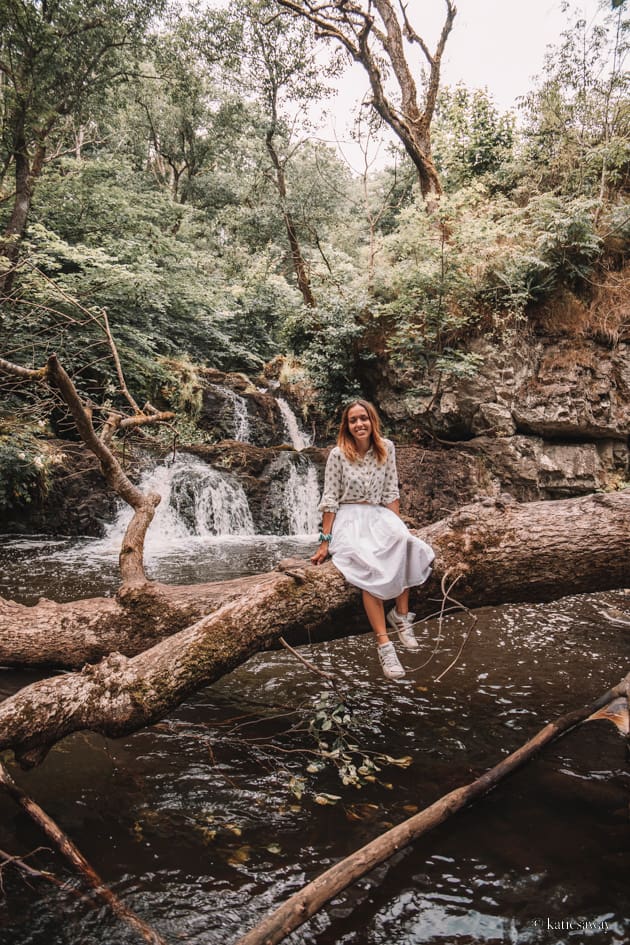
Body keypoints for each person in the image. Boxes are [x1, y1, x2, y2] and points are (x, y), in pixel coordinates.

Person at [311, 399, 435, 681]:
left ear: (372, 420)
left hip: (378, 514)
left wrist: (398, 525)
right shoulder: (337, 455)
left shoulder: (386, 448)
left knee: (405, 544)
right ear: (347, 426)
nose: (359, 424)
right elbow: (329, 499)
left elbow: (391, 491)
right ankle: (384, 645)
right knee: (368, 563)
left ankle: (401, 616)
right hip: (349, 517)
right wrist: (324, 541)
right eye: (353, 420)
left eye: (363, 418)